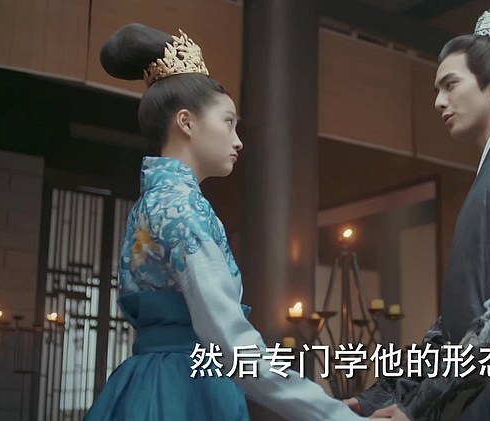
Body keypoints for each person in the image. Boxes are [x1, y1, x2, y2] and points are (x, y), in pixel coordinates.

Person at [85, 23, 364, 421]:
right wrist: (335, 415)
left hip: (145, 383)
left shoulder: (152, 202)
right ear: (186, 122)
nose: (238, 140)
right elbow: (230, 340)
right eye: (228, 122)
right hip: (186, 392)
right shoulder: (182, 209)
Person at [346, 9, 490, 420]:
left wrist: (418, 402)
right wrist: (380, 397)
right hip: (472, 389)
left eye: (450, 85)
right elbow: (452, 326)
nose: (439, 101)